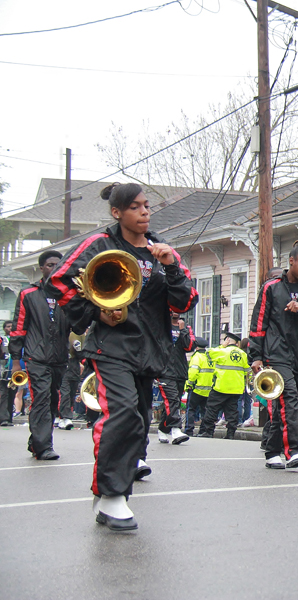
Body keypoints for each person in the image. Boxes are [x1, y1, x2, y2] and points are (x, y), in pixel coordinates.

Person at [48, 182, 197, 531]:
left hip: (151, 349)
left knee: (139, 421)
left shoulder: (162, 250)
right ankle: (113, 496)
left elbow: (185, 302)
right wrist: (96, 312)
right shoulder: (99, 244)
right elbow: (58, 281)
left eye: (147, 206)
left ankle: (109, 489)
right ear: (117, 212)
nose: (145, 212)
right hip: (111, 347)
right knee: (123, 412)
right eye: (135, 207)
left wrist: (172, 266)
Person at [249, 241, 298, 470]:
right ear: (291, 261)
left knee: (289, 407)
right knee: (289, 400)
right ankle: (292, 451)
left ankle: (272, 451)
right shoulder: (270, 288)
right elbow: (258, 323)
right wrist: (256, 356)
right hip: (275, 354)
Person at [10, 250, 71, 459]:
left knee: (53, 399)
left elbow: (78, 323)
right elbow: (18, 328)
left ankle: (36, 440)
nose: (55, 268)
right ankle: (44, 447)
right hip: (36, 358)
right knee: (41, 398)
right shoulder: (28, 293)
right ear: (42, 268)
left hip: (60, 358)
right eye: (50, 264)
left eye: (58, 264)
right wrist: (16, 361)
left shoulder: (68, 293)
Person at [156, 312, 203, 444]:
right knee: (172, 400)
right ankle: (176, 428)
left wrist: (182, 330)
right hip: (164, 370)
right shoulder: (161, 325)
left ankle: (163, 428)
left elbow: (189, 347)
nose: (176, 312)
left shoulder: (186, 328)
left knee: (175, 401)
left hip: (180, 371)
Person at [199, 332, 249, 440]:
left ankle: (208, 432)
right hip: (236, 388)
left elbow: (208, 353)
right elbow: (247, 371)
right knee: (232, 412)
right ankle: (230, 433)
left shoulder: (222, 351)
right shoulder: (242, 354)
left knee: (212, 409)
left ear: (227, 340)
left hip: (221, 387)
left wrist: (222, 345)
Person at [184, 345, 213, 436]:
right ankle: (203, 430)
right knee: (205, 411)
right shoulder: (209, 357)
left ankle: (189, 430)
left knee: (191, 409)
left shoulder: (196, 357)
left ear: (196, 347)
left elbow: (193, 373)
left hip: (196, 388)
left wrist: (189, 384)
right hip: (208, 389)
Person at [0, 320, 15, 426]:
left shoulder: (18, 339)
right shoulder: (2, 340)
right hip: (3, 371)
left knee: (12, 395)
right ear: (4, 328)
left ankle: (9, 418)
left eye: (11, 326)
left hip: (15, 373)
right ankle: (3, 418)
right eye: (8, 326)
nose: (10, 328)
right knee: (3, 394)